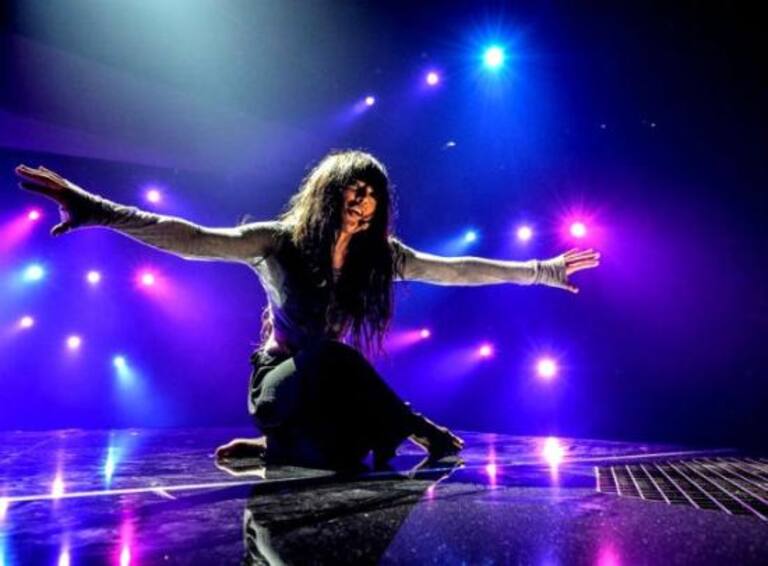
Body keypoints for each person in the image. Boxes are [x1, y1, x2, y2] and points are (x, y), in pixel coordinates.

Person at [15, 151, 600, 470]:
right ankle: (419, 426)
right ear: (329, 194)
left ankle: (276, 450)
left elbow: (455, 269)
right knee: (331, 355)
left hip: (326, 402)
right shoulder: (278, 241)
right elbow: (190, 237)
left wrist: (541, 270)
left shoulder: (379, 257)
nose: (362, 208)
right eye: (354, 196)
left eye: (372, 202)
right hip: (278, 387)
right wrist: (95, 208)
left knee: (355, 456)